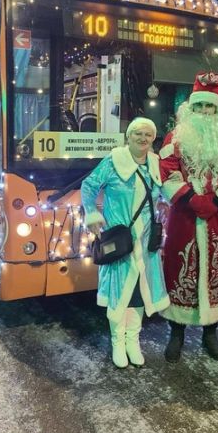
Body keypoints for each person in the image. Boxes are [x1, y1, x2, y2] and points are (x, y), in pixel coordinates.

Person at [159, 72, 218, 362]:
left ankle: (211, 334)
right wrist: (190, 197)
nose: (203, 112)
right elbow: (166, 169)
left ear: (217, 110)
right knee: (178, 267)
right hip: (183, 217)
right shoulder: (175, 137)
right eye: (198, 107)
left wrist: (216, 200)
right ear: (190, 109)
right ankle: (177, 332)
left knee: (216, 271)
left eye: (209, 107)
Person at [81, 117, 170, 368]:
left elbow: (163, 192)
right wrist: (91, 211)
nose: (143, 139)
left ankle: (133, 340)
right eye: (138, 134)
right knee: (119, 292)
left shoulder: (154, 163)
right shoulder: (114, 161)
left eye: (148, 135)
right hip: (120, 240)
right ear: (128, 136)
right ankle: (117, 342)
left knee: (140, 294)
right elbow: (89, 186)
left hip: (146, 244)